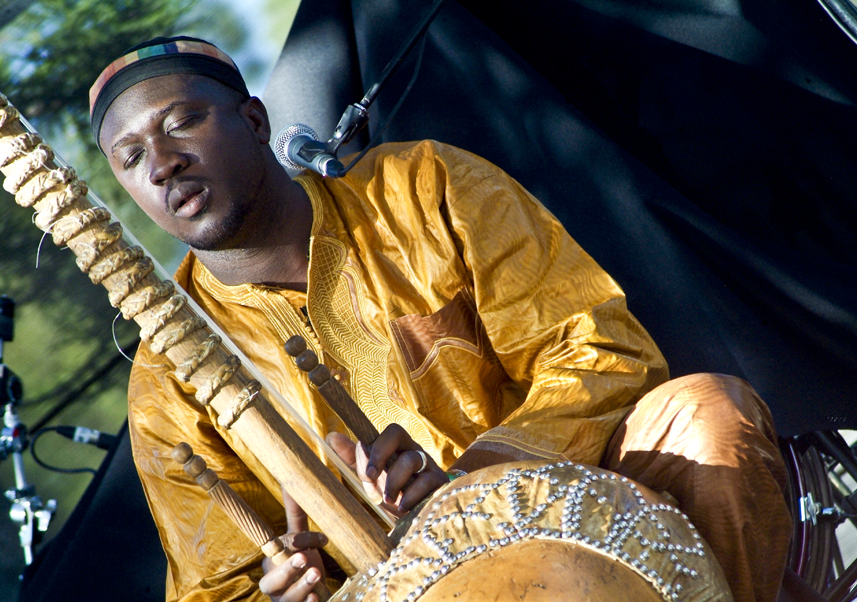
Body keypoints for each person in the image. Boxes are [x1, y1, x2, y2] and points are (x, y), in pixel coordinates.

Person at [89, 37, 791, 602]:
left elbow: (598, 348)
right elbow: (212, 585)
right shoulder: (172, 375)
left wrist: (480, 477)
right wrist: (289, 588)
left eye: (181, 121)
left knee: (705, 414)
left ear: (253, 120)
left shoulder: (422, 188)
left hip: (574, 503)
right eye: (129, 158)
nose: (162, 164)